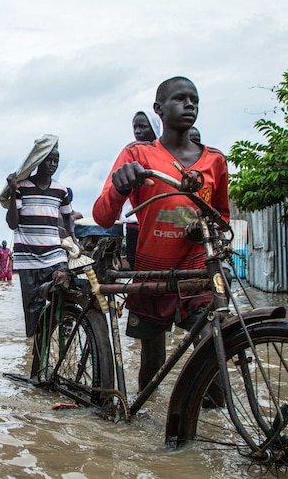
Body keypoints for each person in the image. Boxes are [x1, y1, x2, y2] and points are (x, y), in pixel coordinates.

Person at [92, 76, 229, 392]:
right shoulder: (137, 156)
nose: (190, 104)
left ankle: (198, 429)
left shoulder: (215, 161)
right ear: (159, 109)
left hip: (197, 278)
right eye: (180, 98)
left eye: (194, 99)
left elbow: (222, 218)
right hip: (152, 276)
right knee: (151, 368)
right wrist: (120, 185)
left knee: (215, 367)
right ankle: (145, 427)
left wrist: (204, 226)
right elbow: (103, 215)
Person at [6, 136, 74, 378]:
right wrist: (13, 193)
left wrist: (72, 242)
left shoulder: (61, 191)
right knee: (33, 308)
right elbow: (13, 223)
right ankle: (33, 358)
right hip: (28, 258)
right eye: (49, 160)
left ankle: (65, 347)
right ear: (38, 161)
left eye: (56, 160)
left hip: (55, 255)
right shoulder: (22, 187)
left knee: (64, 293)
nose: (53, 164)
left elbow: (67, 219)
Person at [122, 110, 162, 269]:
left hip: (158, 224)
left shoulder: (164, 156)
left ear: (154, 128)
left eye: (143, 127)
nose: (137, 131)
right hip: (135, 225)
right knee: (136, 267)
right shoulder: (130, 155)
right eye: (135, 127)